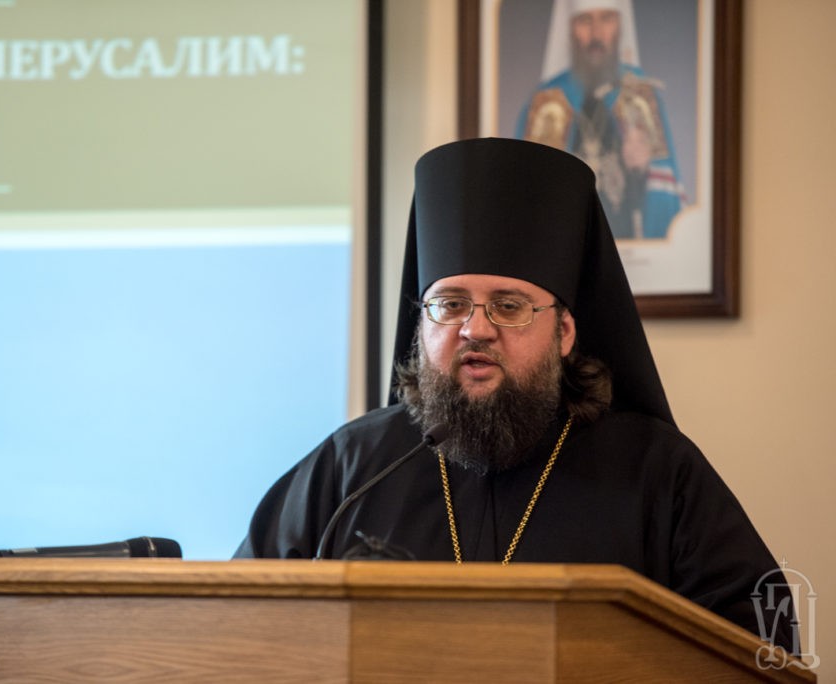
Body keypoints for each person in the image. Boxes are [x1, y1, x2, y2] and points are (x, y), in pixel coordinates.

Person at [234, 137, 795, 654]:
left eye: (508, 306)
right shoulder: (356, 467)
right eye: (450, 305)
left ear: (564, 333)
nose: (475, 329)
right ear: (422, 323)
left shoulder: (655, 470)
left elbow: (761, 641)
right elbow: (239, 618)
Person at [514, 0, 685, 239]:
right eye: (585, 21)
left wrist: (643, 171)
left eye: (606, 19)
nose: (596, 34)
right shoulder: (545, 102)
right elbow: (527, 200)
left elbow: (663, 202)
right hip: (566, 252)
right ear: (569, 29)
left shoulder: (641, 97)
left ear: (620, 26)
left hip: (629, 253)